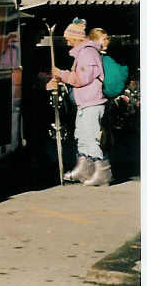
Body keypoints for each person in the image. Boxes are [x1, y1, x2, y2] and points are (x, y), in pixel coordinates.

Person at [47, 18, 111, 186]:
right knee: (81, 136)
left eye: (68, 38)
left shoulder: (88, 53)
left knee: (90, 138)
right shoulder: (83, 54)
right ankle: (85, 169)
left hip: (92, 103)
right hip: (85, 103)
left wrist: (62, 74)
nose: (67, 42)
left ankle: (103, 171)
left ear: (76, 38)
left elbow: (82, 78)